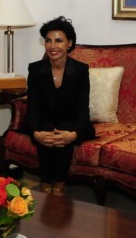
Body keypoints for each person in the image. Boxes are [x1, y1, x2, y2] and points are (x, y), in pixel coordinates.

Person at [26, 16, 95, 196]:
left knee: (63, 130)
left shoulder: (80, 70)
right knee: (47, 129)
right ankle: (46, 181)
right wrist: (35, 133)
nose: (52, 46)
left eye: (58, 40)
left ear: (69, 43)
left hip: (71, 122)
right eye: (48, 41)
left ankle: (60, 183)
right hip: (45, 121)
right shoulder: (35, 69)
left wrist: (73, 135)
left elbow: (82, 108)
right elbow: (33, 106)